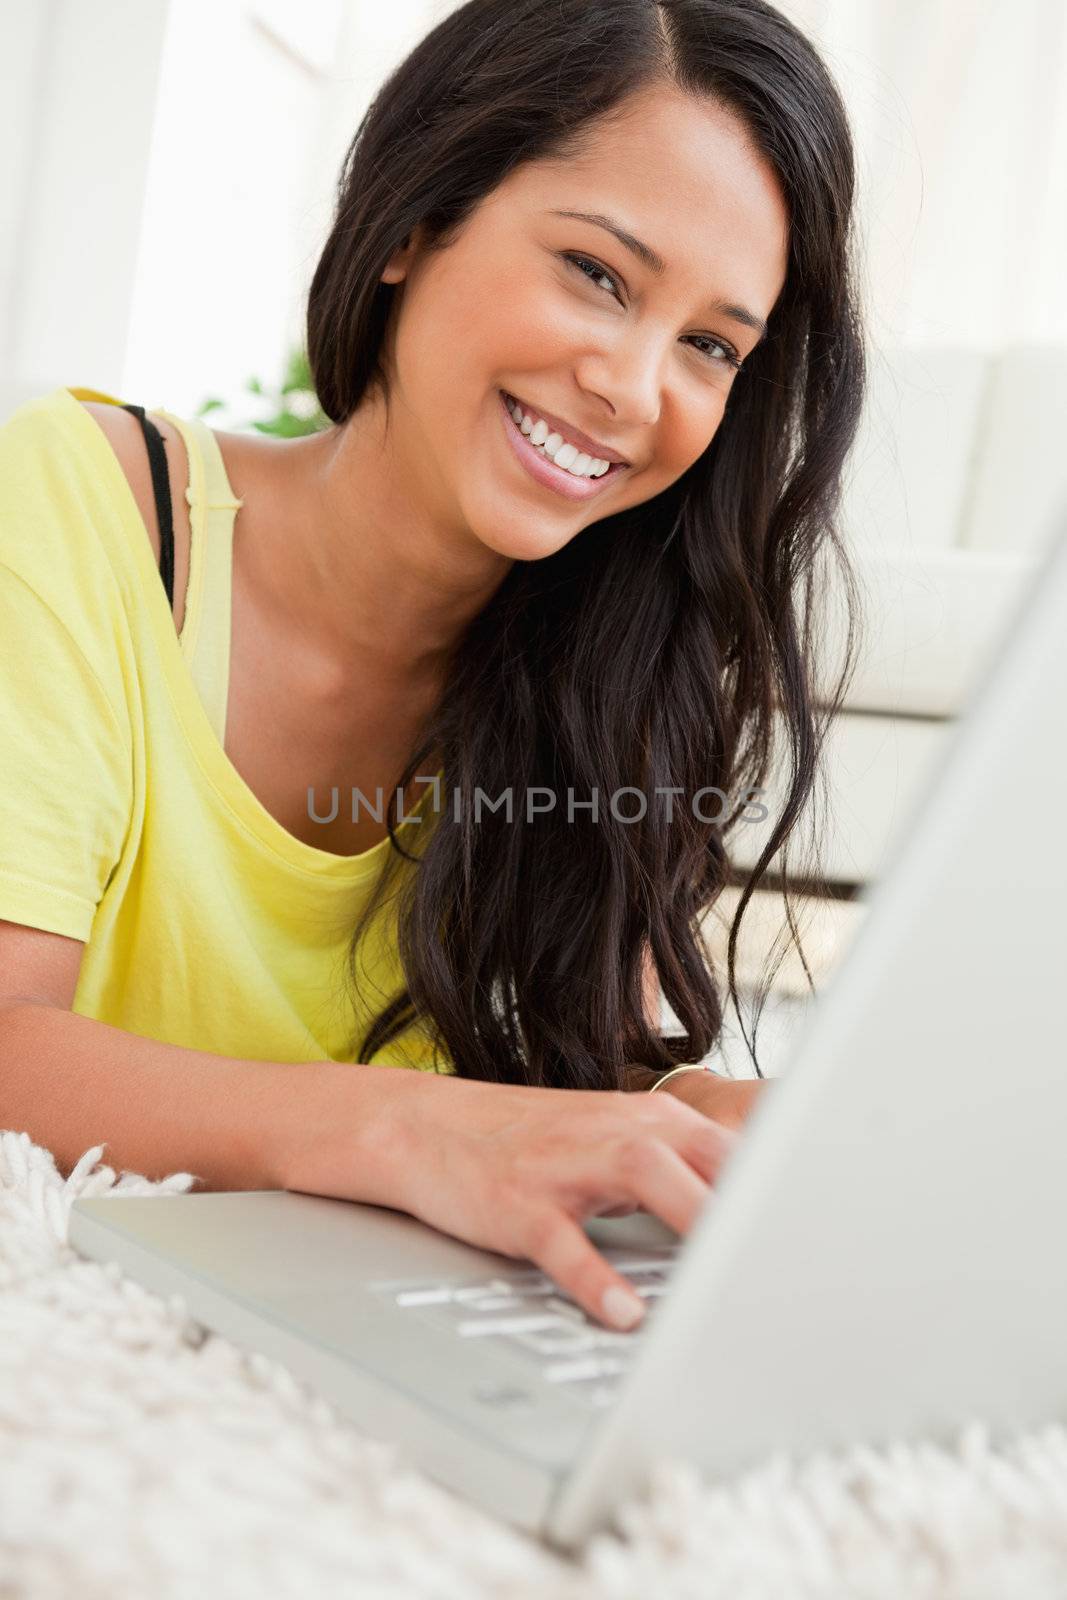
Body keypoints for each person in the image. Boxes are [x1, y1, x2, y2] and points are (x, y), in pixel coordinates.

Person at [0, 0, 864, 1332]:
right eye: (596, 272)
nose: (635, 389)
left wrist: (678, 1124)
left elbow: (568, 1097)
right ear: (415, 220)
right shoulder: (88, 507)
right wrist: (412, 1128)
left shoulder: (615, 678)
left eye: (710, 346)